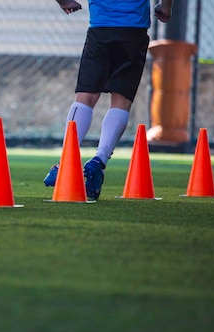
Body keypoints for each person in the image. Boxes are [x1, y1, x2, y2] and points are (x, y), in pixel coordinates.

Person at [44, 0, 173, 200]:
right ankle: (100, 159)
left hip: (100, 30)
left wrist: (64, 1)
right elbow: (164, 6)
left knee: (85, 97)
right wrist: (165, 6)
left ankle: (66, 161)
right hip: (133, 31)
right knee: (121, 100)